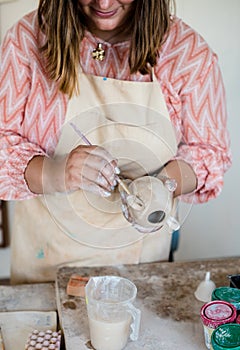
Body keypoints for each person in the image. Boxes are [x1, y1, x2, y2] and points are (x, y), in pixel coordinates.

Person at [0, 0, 231, 284]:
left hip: (140, 267)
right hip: (45, 263)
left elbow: (209, 154)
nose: (105, 3)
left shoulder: (187, 53)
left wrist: (163, 184)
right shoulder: (27, 40)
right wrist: (56, 172)